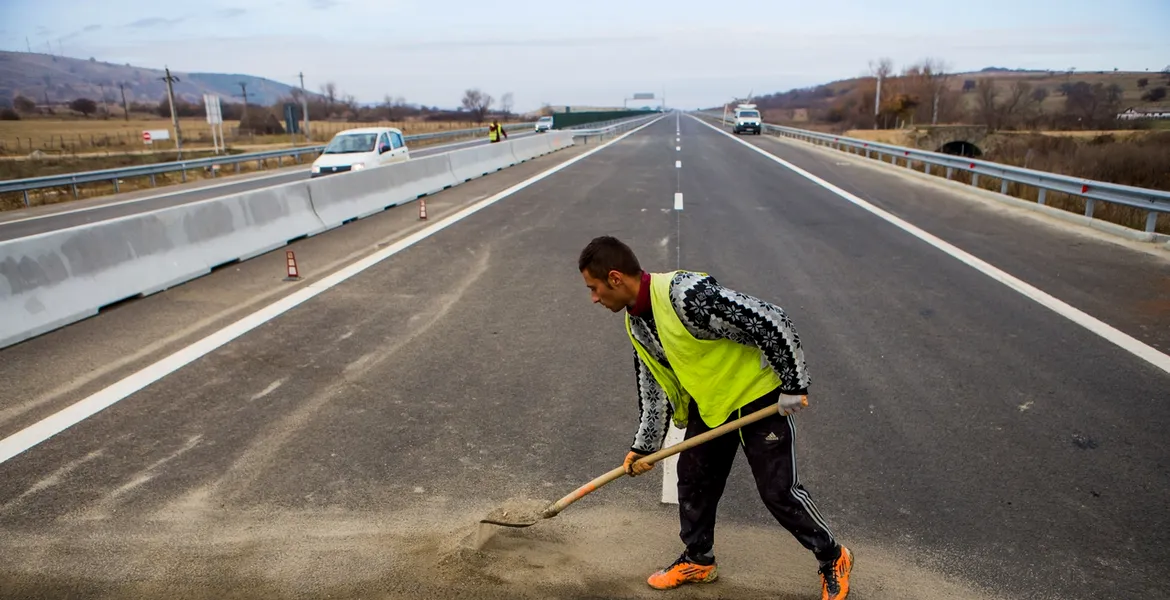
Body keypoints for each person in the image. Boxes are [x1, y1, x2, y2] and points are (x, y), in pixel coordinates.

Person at [577, 236, 853, 600]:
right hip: (712, 407)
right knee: (693, 481)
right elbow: (654, 388)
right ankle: (698, 560)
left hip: (758, 398)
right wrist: (643, 447)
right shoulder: (638, 325)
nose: (594, 298)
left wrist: (794, 383)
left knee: (778, 492)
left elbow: (771, 319)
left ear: (615, 278)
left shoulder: (686, 295)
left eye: (593, 288)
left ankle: (833, 556)